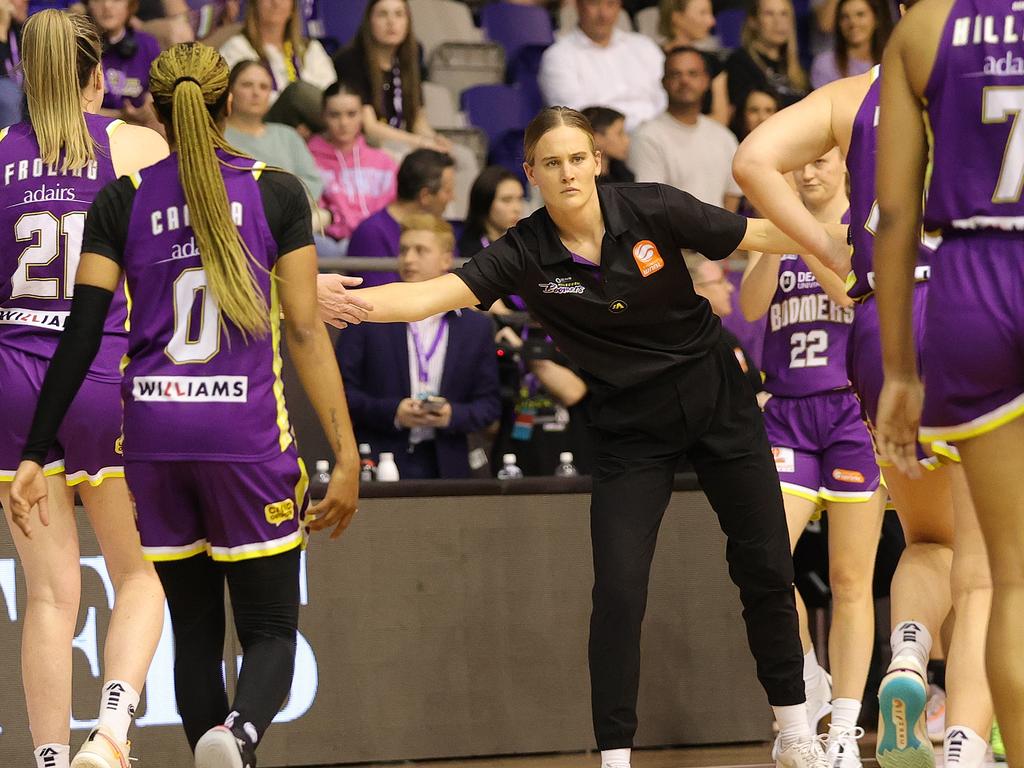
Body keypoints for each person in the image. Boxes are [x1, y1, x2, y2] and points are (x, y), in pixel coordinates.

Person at [336, 105, 854, 768]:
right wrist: (341, 301)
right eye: (551, 163)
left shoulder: (650, 207)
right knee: (617, 589)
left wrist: (845, 245)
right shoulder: (524, 252)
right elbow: (432, 294)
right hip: (628, 432)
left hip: (716, 404)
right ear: (532, 174)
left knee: (763, 567)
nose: (567, 171)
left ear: (597, 162)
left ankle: (794, 729)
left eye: (577, 158)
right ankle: (615, 757)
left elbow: (755, 232)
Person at [10, 40, 360, 768]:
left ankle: (55, 754)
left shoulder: (61, 175)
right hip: (177, 405)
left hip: (78, 403)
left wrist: (33, 448)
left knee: (106, 610)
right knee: (205, 602)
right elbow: (269, 298)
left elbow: (85, 312)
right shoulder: (189, 164)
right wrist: (345, 448)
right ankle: (167, 734)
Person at [732, 24, 994, 768]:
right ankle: (967, 742)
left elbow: (751, 160)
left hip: (880, 326)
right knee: (982, 570)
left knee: (926, 541)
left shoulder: (856, 95)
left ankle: (908, 660)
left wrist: (819, 248)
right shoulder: (991, 79)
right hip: (974, 307)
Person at [0, 10, 168, 768]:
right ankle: (107, 735)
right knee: (139, 572)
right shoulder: (135, 147)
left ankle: (47, 760)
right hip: (106, 373)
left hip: (12, 381)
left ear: (22, 79)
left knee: (47, 597)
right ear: (99, 78)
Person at [871, 1, 1023, 765]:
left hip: (971, 284)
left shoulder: (923, 28)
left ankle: (971, 742)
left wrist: (901, 368)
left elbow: (895, 216)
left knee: (1005, 578)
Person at [740, 148, 885, 768]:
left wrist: (805, 237)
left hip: (852, 413)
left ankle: (846, 729)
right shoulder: (778, 223)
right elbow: (749, 308)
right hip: (788, 414)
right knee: (765, 564)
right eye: (796, 163)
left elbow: (854, 297)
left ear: (845, 164)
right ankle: (808, 684)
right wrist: (775, 240)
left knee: (853, 581)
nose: (805, 172)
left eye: (819, 160)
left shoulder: (866, 223)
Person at [337, 215, 501, 479]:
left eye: (420, 251)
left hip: (450, 464)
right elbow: (341, 392)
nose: (409, 259)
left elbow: (489, 405)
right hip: (380, 458)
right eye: (403, 250)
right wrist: (394, 412)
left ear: (446, 259)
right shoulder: (368, 316)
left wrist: (451, 415)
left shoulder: (475, 328)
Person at [629, 46, 742, 211]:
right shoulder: (647, 136)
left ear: (706, 81)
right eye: (676, 74)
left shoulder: (723, 136)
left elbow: (732, 195)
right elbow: (651, 204)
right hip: (668, 236)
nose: (685, 81)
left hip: (721, 234)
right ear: (663, 82)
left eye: (692, 74)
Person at [331, 0, 448, 154]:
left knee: (460, 156)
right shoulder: (351, 61)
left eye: (399, 14)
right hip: (368, 144)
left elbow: (417, 119)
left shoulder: (412, 56)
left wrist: (434, 139)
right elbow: (370, 128)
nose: (391, 22)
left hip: (404, 140)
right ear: (369, 21)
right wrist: (420, 143)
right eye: (382, 14)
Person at [538, 0, 666, 132]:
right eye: (594, 4)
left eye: (610, 4)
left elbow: (665, 98)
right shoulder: (559, 55)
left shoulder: (644, 46)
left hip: (659, 137)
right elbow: (577, 117)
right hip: (600, 143)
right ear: (578, 5)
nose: (603, 14)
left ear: (619, 6)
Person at [222, 60, 327, 221]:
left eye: (264, 87)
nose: (256, 93)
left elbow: (312, 184)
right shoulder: (217, 137)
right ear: (230, 91)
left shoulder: (288, 135)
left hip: (291, 223)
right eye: (247, 85)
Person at [309, 79, 398, 260]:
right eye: (335, 115)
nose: (343, 123)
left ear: (362, 115)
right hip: (330, 243)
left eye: (351, 114)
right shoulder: (308, 157)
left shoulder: (384, 161)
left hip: (377, 241)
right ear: (323, 116)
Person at [218, 0, 335, 131]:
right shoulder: (236, 47)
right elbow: (233, 99)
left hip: (312, 131)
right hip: (259, 125)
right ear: (254, 4)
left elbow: (329, 95)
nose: (276, 2)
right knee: (297, 92)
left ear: (293, 7)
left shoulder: (310, 49)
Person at [346, 147, 454, 286]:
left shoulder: (440, 229)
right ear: (425, 196)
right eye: (448, 190)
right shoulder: (371, 233)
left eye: (420, 250)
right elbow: (380, 299)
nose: (452, 197)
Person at [689, 253, 763, 396]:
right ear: (696, 289)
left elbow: (755, 385)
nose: (730, 288)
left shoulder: (726, 338)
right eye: (720, 281)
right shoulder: (686, 345)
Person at [723, 0, 808, 119]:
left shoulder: (798, 69)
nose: (778, 22)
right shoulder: (740, 62)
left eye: (784, 14)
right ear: (753, 21)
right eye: (769, 14)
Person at [89, 0, 163, 128]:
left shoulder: (148, 45)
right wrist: (121, 116)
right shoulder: (80, 47)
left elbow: (154, 101)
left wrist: (148, 112)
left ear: (130, 5)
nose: (107, 5)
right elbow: (76, 111)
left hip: (138, 132)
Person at [809, 0, 891, 88]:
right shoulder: (825, 64)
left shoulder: (890, 60)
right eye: (845, 17)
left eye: (860, 14)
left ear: (876, 19)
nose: (853, 23)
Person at [458, 165, 526, 258]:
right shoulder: (464, 248)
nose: (517, 208)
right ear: (485, 201)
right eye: (507, 200)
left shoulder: (525, 244)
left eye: (520, 199)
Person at [581, 106, 635, 185]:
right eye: (619, 133)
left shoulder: (623, 174)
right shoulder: (583, 181)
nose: (627, 140)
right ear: (596, 138)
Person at [0, 0, 26, 127]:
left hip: (19, 91)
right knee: (8, 93)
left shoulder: (18, 29)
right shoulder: (5, 26)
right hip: (7, 95)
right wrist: (1, 29)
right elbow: (4, 73)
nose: (24, 3)